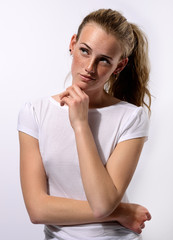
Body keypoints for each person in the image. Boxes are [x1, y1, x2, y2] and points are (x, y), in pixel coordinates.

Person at [17, 8, 152, 240]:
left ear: (119, 66)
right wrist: (121, 211)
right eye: (84, 51)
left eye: (104, 60)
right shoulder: (35, 112)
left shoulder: (131, 118)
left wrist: (80, 124)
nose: (89, 67)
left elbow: (101, 204)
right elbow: (37, 210)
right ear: (73, 43)